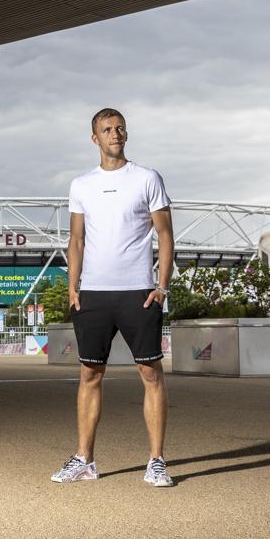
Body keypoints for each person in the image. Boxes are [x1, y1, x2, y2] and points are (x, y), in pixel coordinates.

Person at [51, 108, 175, 487]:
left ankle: (155, 461)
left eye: (120, 128)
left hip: (138, 292)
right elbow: (76, 240)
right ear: (95, 138)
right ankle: (85, 460)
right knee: (90, 374)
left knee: (151, 374)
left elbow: (165, 235)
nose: (115, 134)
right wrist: (73, 287)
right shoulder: (81, 184)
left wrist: (162, 285)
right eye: (107, 129)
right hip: (93, 293)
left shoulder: (147, 178)